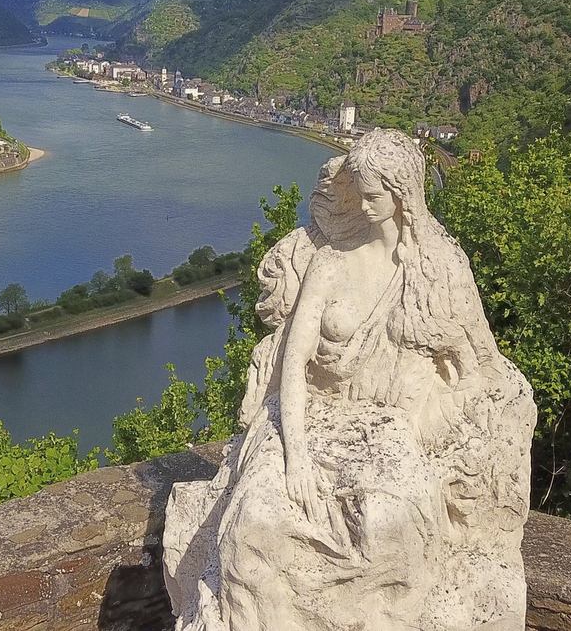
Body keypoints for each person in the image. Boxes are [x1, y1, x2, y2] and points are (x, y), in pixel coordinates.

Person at [163, 131, 536, 631]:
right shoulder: (332, 262)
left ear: (402, 195)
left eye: (372, 195)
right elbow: (293, 364)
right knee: (256, 518)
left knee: (388, 525)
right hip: (309, 416)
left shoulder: (440, 269)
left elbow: (481, 367)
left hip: (390, 431)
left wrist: (434, 426)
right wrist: (295, 456)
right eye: (357, 193)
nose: (361, 205)